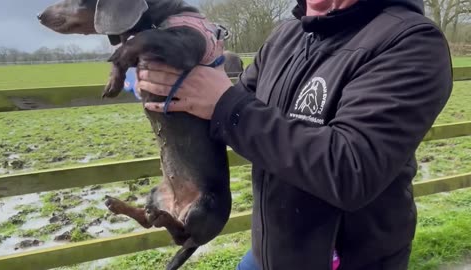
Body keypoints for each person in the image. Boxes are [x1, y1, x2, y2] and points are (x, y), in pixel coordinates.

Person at [136, 0, 453, 269]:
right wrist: (174, 94)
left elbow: (350, 170)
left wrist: (224, 104)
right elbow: (232, 125)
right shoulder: (286, 37)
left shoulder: (411, 41)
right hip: (267, 255)